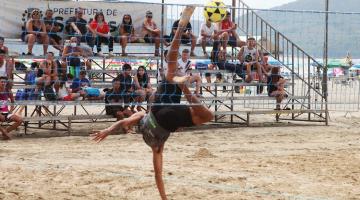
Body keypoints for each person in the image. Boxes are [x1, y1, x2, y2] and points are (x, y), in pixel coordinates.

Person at [92, 6, 213, 200]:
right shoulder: (142, 121)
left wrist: (164, 198)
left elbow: (158, 174)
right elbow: (123, 123)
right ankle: (181, 34)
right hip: (158, 109)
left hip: (166, 119)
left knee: (207, 115)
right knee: (171, 70)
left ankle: (185, 87)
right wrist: (108, 131)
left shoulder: (156, 146)